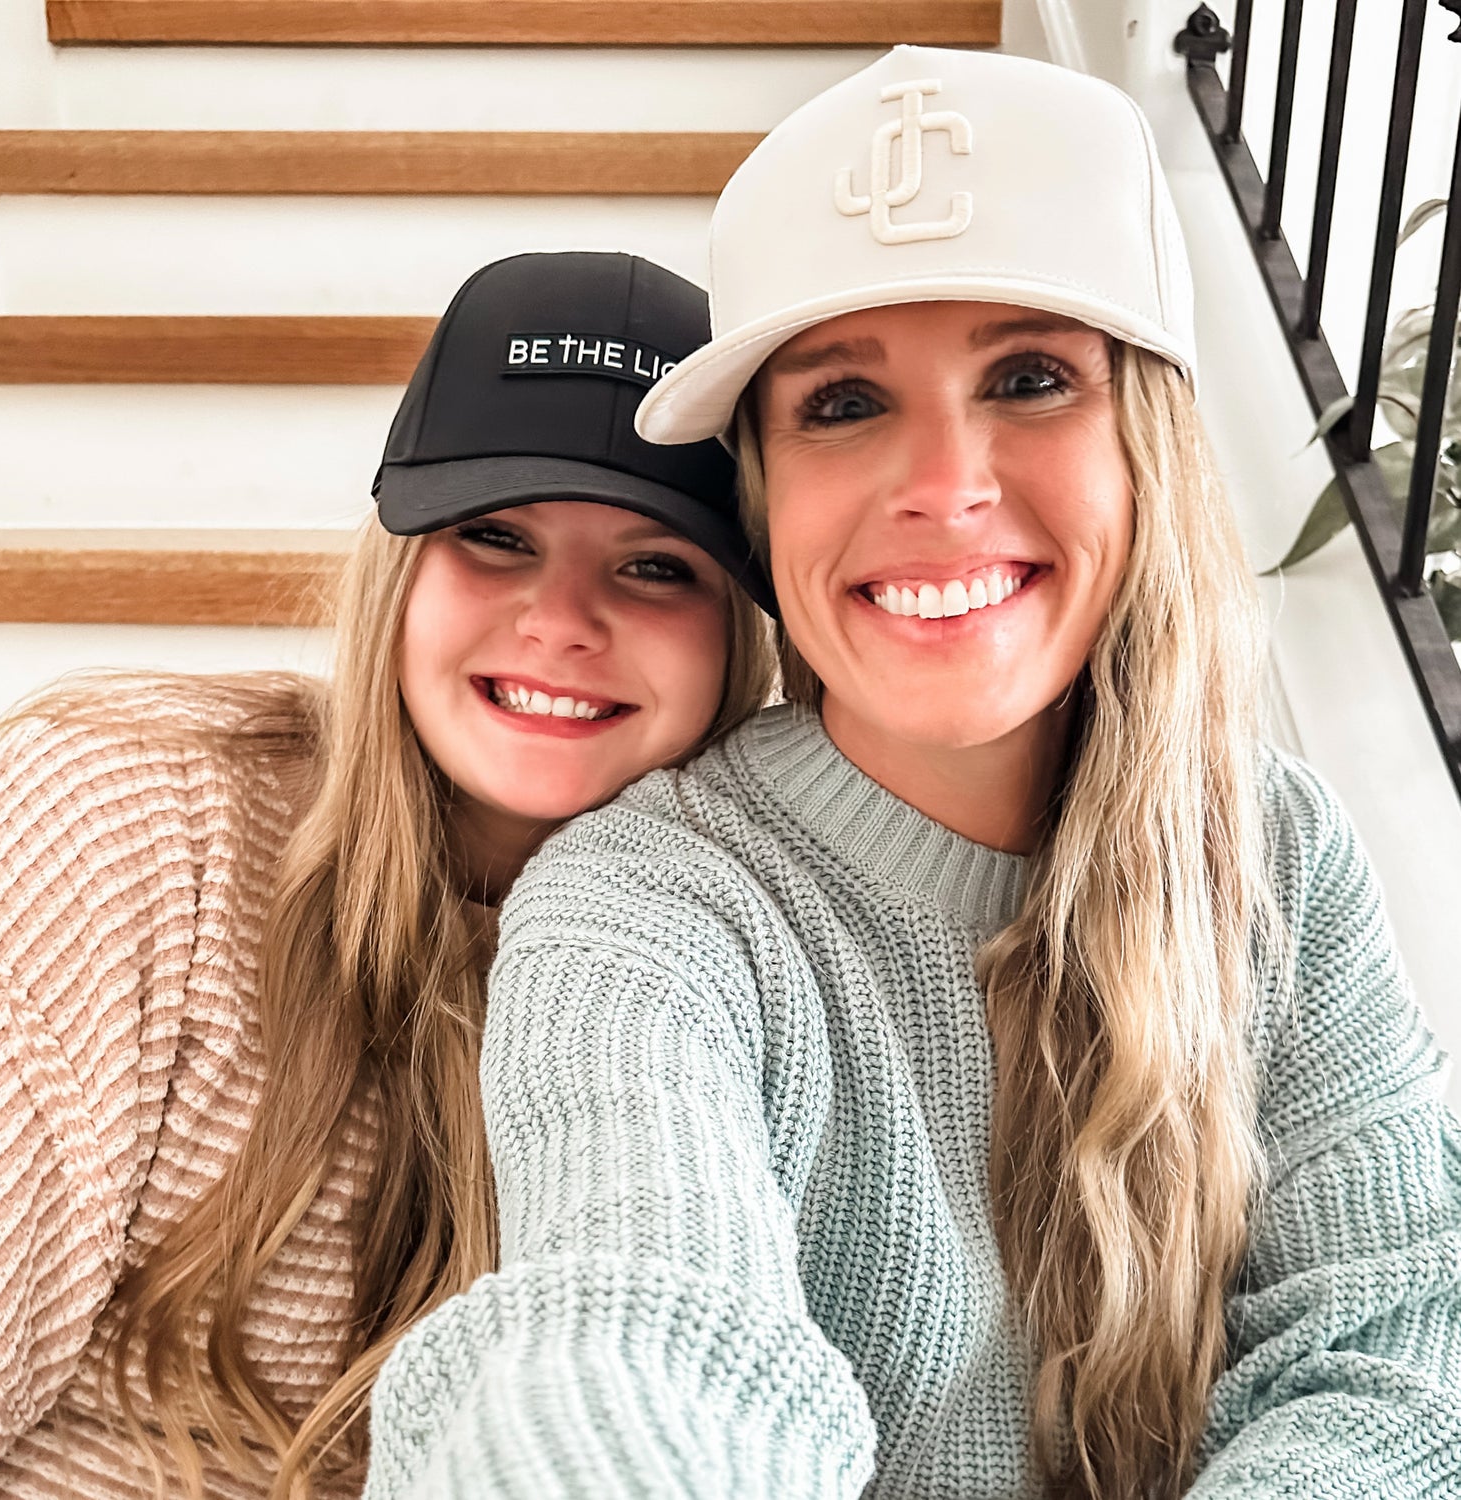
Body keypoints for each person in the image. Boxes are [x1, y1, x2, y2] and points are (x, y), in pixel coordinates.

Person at [360, 47, 1461, 1500]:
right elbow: (622, 1343)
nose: (945, 484)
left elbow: (1395, 1348)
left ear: (1147, 448)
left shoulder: (1275, 850)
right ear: (760, 496)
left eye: (1029, 377)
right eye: (841, 404)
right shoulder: (646, 901)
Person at [0, 250, 775, 1500]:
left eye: (657, 564)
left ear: (743, 636)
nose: (560, 620)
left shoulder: (745, 955)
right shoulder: (124, 812)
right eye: (494, 536)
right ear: (398, 563)